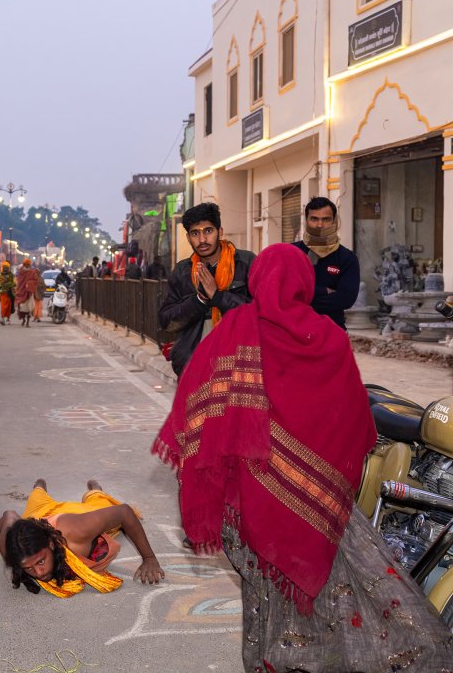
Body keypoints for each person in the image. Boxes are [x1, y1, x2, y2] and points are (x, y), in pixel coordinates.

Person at [153, 244, 451, 671]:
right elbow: (355, 426)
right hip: (313, 501)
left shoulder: (236, 327)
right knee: (333, 596)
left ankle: (277, 662)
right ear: (304, 283)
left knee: (266, 599)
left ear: (257, 282)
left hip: (246, 506)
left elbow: (198, 409)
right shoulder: (326, 336)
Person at [0, 479, 164, 598]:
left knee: (99, 502)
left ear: (51, 545)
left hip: (76, 514)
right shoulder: (12, 550)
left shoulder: (77, 530)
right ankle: (39, 486)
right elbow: (9, 515)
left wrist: (149, 558)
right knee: (36, 498)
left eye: (41, 561)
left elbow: (124, 513)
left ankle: (95, 489)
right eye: (28, 568)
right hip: (38, 516)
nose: (39, 573)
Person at [158, 202, 255, 377]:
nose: (202, 240)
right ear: (188, 238)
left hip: (238, 363)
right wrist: (200, 299)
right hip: (194, 366)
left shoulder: (245, 263)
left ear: (220, 232)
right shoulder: (183, 271)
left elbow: (258, 312)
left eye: (208, 231)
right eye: (195, 233)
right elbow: (167, 322)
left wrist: (218, 297)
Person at [292, 196, 359, 329]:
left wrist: (299, 301)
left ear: (334, 221)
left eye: (326, 219)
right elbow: (282, 291)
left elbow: (346, 299)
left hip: (332, 329)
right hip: (294, 330)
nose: (320, 225)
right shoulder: (291, 252)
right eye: (314, 219)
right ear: (306, 221)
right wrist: (323, 291)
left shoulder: (347, 258)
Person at [15, 258, 40, 327]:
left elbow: (35, 281)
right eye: (26, 264)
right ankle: (24, 321)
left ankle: (26, 322)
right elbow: (19, 282)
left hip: (28, 293)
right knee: (24, 308)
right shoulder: (21, 272)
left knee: (27, 308)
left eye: (28, 264)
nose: (27, 265)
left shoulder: (31, 272)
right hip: (22, 292)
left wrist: (30, 284)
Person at [0, 260, 15, 325]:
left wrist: (8, 284)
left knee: (9, 307)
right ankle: (2, 318)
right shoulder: (1, 275)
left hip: (9, 293)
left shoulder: (11, 275)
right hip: (2, 293)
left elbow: (14, 283)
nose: (5, 269)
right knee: (3, 307)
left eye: (6, 267)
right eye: (4, 267)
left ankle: (8, 319)